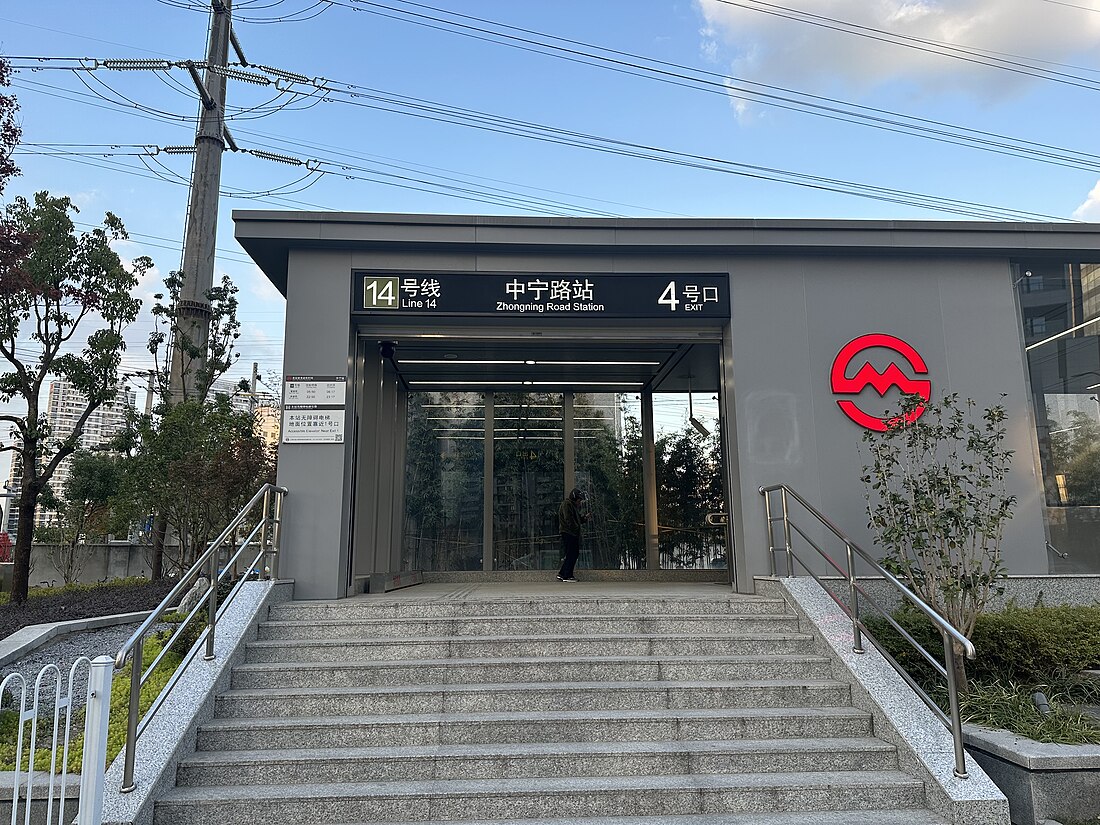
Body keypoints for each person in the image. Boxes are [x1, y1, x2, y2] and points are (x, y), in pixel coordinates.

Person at [557, 487, 587, 582]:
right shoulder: (567, 504)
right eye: (579, 500)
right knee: (572, 554)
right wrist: (575, 527)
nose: (579, 502)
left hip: (571, 533)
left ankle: (562, 573)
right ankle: (567, 575)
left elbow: (577, 520)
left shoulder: (572, 506)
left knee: (572, 553)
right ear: (574, 498)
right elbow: (569, 519)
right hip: (568, 533)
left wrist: (585, 518)